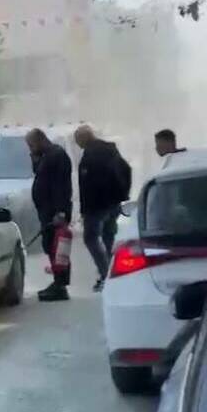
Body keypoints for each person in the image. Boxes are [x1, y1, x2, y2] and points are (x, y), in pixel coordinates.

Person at [75, 125, 132, 292]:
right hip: (113, 203)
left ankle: (106, 274)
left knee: (91, 238)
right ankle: (111, 274)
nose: (78, 145)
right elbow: (126, 170)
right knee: (108, 237)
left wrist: (85, 210)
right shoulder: (110, 150)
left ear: (85, 138)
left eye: (78, 140)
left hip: (97, 206)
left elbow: (89, 185)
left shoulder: (92, 155)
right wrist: (123, 194)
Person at [26, 128, 73, 302]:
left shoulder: (57, 156)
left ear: (40, 141)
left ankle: (60, 285)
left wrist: (60, 211)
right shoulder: (47, 156)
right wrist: (35, 158)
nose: (30, 149)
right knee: (50, 245)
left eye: (31, 145)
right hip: (47, 211)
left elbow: (61, 187)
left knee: (57, 248)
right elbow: (40, 174)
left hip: (55, 212)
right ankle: (57, 282)